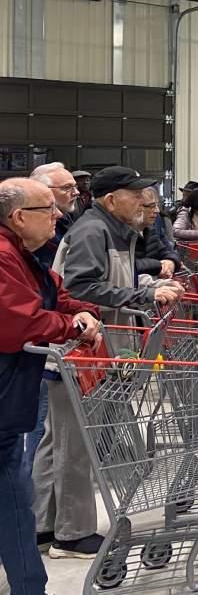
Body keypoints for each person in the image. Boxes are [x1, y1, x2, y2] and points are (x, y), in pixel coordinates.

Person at [37, 166, 184, 560]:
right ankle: (72, 534)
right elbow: (80, 286)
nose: (144, 202)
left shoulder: (114, 231)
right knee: (75, 444)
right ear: (111, 198)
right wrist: (142, 297)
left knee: (60, 442)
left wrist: (146, 286)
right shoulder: (92, 230)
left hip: (93, 349)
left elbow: (107, 279)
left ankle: (43, 526)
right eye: (135, 194)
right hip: (80, 352)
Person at [0, 178, 102, 595]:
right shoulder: (5, 256)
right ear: (19, 217)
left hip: (12, 390)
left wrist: (82, 313)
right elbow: (16, 321)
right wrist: (70, 325)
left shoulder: (25, 254)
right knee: (13, 495)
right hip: (6, 391)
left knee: (13, 491)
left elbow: (54, 297)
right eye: (49, 208)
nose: (59, 215)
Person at [25, 164, 80, 470]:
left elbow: (54, 289)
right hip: (36, 343)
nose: (75, 193)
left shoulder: (64, 224)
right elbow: (30, 307)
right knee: (37, 418)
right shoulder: (23, 246)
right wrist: (71, 324)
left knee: (41, 418)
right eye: (67, 189)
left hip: (48, 336)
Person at [133, 188, 181, 280]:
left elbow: (166, 251)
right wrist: (159, 265)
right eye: (151, 206)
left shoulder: (150, 230)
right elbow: (127, 267)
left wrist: (170, 262)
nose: (157, 210)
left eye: (157, 205)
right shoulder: (122, 232)